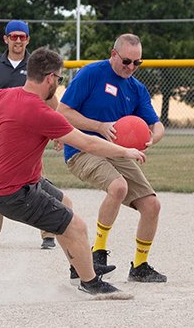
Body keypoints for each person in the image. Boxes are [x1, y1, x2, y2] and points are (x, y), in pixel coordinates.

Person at [0, 47, 145, 298]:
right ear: (50, 78)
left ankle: (77, 269)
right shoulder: (41, 112)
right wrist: (125, 151)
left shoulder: (3, 95)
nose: (58, 84)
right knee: (77, 227)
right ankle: (91, 283)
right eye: (60, 79)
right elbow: (87, 143)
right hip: (14, 193)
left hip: (10, 184)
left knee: (65, 203)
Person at [58, 33, 167, 283]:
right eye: (127, 61)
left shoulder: (136, 88)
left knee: (152, 206)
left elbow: (156, 124)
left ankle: (139, 267)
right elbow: (63, 112)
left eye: (137, 63)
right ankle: (98, 253)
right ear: (113, 54)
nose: (131, 68)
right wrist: (99, 126)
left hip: (117, 152)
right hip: (82, 150)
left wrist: (154, 138)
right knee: (118, 186)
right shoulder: (91, 74)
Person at [0, 20, 58, 250]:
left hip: (32, 136)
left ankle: (49, 233)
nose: (18, 41)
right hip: (0, 134)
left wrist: (58, 132)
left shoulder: (37, 65)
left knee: (39, 180)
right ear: (5, 39)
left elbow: (51, 99)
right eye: (14, 36)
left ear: (28, 39)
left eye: (23, 37)